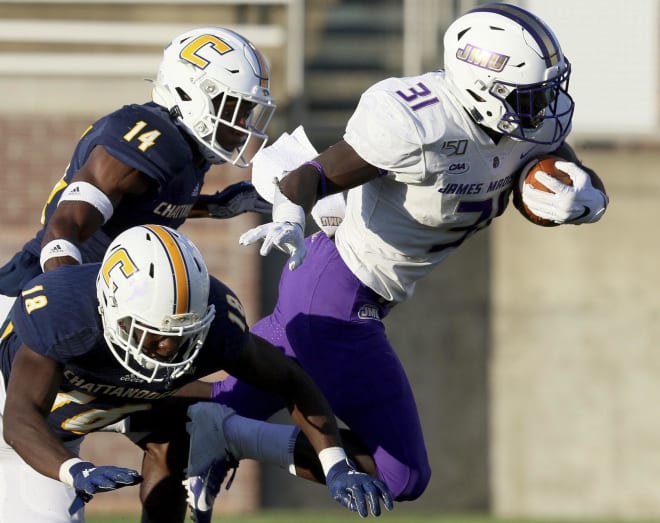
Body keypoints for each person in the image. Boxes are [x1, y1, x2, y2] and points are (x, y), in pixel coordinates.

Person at [191, 0, 609, 516]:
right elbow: (314, 176)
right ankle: (235, 440)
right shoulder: (419, 122)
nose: (546, 105)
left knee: (200, 411)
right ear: (484, 91)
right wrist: (289, 212)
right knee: (401, 473)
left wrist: (583, 195)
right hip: (338, 293)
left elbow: (560, 163)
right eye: (529, 95)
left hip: (343, 289)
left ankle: (101, 410)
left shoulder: (531, 121)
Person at [0, 224, 392, 523]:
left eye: (183, 334)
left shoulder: (216, 324)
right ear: (112, 312)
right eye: (154, 336)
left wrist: (336, 461)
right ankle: (227, 431)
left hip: (108, 403)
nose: (169, 349)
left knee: (175, 435)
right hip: (31, 429)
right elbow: (18, 420)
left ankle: (216, 432)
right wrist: (73, 469)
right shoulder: (61, 320)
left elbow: (290, 379)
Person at [0, 25, 276, 324]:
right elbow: (63, 226)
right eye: (233, 107)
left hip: (98, 291)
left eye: (248, 112)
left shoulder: (185, 149)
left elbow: (144, 201)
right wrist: (71, 305)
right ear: (191, 92)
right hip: (34, 296)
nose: (242, 124)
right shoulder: (150, 138)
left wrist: (214, 206)